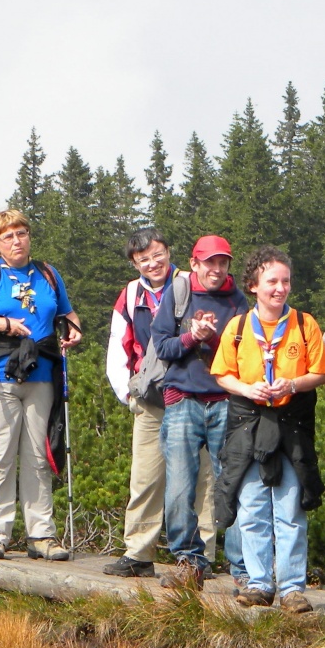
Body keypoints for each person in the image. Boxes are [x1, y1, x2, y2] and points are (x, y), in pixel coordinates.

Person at [0, 209, 81, 561]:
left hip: (43, 375)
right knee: (0, 456)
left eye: (21, 233)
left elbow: (66, 313)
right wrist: (2, 323)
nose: (16, 241)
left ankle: (41, 535)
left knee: (39, 456)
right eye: (7, 236)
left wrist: (74, 329)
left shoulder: (48, 273)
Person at [210, 246, 325, 612]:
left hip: (291, 424)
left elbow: (321, 372)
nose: (280, 288)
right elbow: (222, 373)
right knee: (251, 507)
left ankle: (292, 588)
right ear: (254, 285)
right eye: (272, 281)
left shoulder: (304, 324)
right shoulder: (238, 328)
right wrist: (248, 389)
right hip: (248, 423)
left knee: (290, 509)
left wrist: (291, 384)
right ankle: (259, 583)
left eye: (285, 281)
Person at [102, 228, 218, 578]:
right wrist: (128, 394)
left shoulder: (190, 284)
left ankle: (202, 556)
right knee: (146, 477)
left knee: (202, 479)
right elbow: (118, 347)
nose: (153, 263)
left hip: (192, 394)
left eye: (157, 254)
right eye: (143, 259)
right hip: (151, 398)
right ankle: (139, 552)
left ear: (169, 252)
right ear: (134, 263)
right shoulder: (131, 295)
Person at [149, 234, 248, 590]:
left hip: (225, 402)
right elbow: (162, 347)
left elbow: (244, 355)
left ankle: (243, 570)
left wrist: (213, 338)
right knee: (178, 488)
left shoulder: (237, 301)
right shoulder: (178, 294)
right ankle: (189, 561)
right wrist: (192, 337)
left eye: (222, 263)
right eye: (210, 263)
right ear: (194, 263)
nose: (216, 269)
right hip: (183, 400)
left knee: (233, 487)